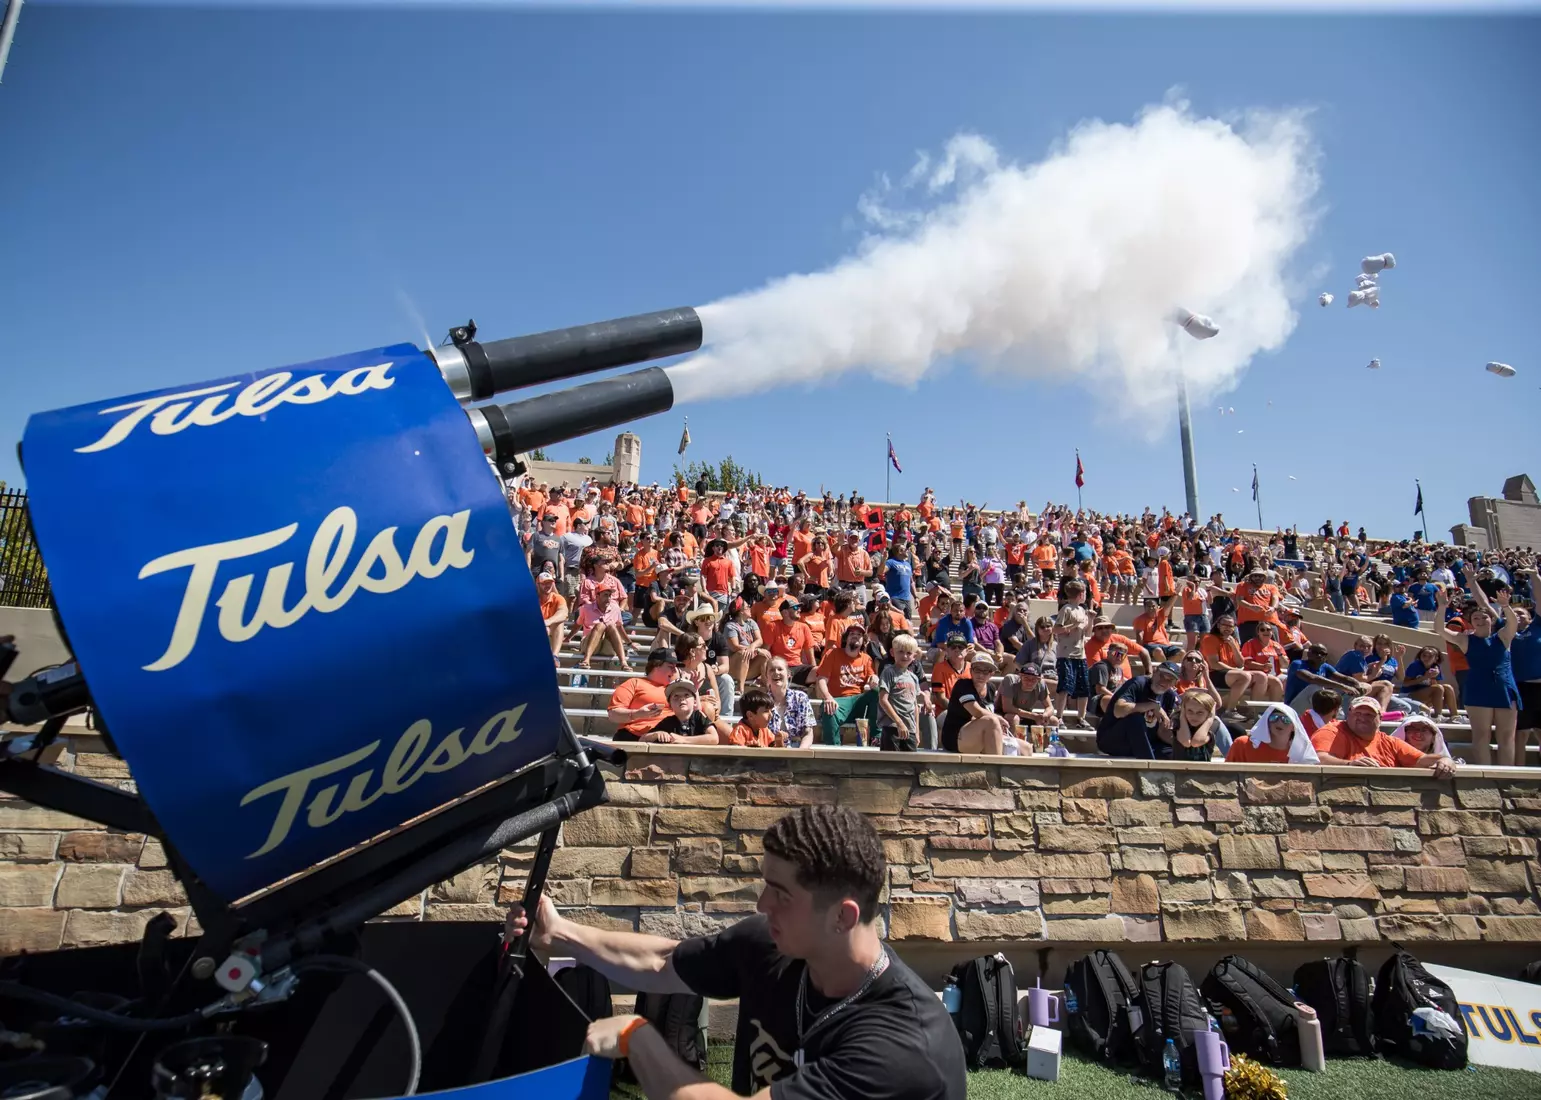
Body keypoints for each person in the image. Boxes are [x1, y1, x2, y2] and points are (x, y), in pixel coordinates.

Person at [507, 806, 967, 1100]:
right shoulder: (770, 946)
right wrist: (561, 934)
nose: (763, 905)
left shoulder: (903, 1048)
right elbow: (662, 961)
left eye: (780, 893)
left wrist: (637, 1037)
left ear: (843, 918)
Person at [1436, 581, 1520, 766]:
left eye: (1484, 618)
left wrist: (1505, 606)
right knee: (1481, 735)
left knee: (1506, 736)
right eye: (1476, 619)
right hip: (1478, 688)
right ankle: (1487, 775)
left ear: (1491, 619)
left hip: (1504, 688)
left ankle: (1507, 776)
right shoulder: (1465, 640)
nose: (1481, 621)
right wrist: (1442, 607)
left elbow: (1513, 623)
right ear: (1471, 622)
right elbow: (1440, 630)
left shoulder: (1503, 637)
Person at [1311, 696, 1458, 776]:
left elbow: (1421, 760)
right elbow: (1317, 759)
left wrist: (1445, 759)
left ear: (1379, 719)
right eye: (1357, 713)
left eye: (1369, 714)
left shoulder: (1389, 741)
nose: (1362, 717)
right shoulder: (1332, 731)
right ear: (1348, 714)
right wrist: (1349, 765)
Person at [1096, 661, 1180, 760]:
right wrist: (1152, 706)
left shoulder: (1170, 696)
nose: (1163, 682)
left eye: (1169, 680)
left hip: (1145, 743)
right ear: (1154, 671)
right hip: (1114, 740)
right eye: (1162, 676)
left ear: (1174, 683)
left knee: (1172, 753)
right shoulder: (1138, 683)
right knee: (1134, 719)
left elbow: (1163, 731)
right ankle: (1148, 766)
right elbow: (1118, 710)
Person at [813, 626, 881, 746]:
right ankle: (834, 750)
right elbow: (821, 680)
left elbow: (872, 679)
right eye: (852, 634)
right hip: (838, 702)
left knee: (877, 692)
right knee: (828, 706)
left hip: (858, 701)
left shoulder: (867, 659)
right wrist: (828, 697)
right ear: (846, 638)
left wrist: (874, 679)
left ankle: (876, 738)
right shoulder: (832, 654)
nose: (855, 636)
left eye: (859, 635)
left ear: (863, 641)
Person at [939, 652, 1008, 755]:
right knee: (992, 720)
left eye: (985, 671)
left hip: (978, 734)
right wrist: (999, 719)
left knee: (1025, 748)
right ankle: (996, 769)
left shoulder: (991, 688)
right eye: (977, 670)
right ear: (971, 671)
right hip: (955, 737)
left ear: (991, 674)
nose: (980, 675)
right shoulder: (962, 685)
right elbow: (976, 712)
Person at [607, 649, 679, 740]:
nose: (675, 671)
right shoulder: (634, 683)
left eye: (675, 667)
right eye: (671, 667)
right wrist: (637, 714)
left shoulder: (677, 688)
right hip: (636, 735)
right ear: (656, 665)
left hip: (670, 735)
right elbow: (613, 715)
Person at [1226, 704, 1321, 764]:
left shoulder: (1302, 752)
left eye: (1286, 720)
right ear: (1267, 722)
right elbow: (1227, 776)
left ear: (1294, 727)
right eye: (1274, 718)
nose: (1279, 723)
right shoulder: (1243, 744)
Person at [877, 634, 923, 752]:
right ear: (892, 652)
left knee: (911, 766)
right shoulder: (889, 673)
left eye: (909, 653)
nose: (905, 656)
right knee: (891, 766)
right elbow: (883, 700)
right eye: (901, 652)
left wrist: (916, 731)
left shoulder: (913, 677)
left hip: (910, 729)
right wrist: (899, 723)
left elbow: (915, 706)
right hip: (892, 726)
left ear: (914, 656)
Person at [762, 656, 819, 749]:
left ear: (788, 674)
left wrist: (800, 753)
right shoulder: (762, 701)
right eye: (772, 670)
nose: (776, 672)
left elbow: (808, 732)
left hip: (797, 749)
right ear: (766, 676)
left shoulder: (801, 698)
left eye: (780, 669)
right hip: (770, 750)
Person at [644, 681, 726, 745]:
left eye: (686, 695)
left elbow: (714, 738)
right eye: (676, 696)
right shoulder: (668, 722)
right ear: (670, 705)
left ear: (694, 702)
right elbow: (643, 739)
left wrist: (682, 739)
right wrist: (656, 734)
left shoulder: (698, 716)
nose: (681, 699)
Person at [1402, 645, 1459, 721]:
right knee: (1438, 688)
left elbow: (1437, 687)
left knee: (1447, 687)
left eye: (1430, 656)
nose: (1426, 658)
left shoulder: (1435, 668)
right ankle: (1437, 716)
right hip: (1409, 695)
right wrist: (1424, 677)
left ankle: (1455, 717)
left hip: (1425, 697)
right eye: (1424, 655)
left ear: (1436, 659)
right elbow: (1405, 683)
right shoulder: (1415, 666)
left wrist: (1433, 677)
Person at [1171, 688, 1220, 762]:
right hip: (1178, 769)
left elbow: (1196, 742)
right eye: (1190, 711)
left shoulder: (1213, 723)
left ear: (1209, 713)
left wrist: (1209, 720)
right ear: (1184, 710)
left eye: (1200, 712)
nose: (1194, 716)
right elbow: (1186, 742)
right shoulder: (1178, 720)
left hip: (1202, 769)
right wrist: (1182, 717)